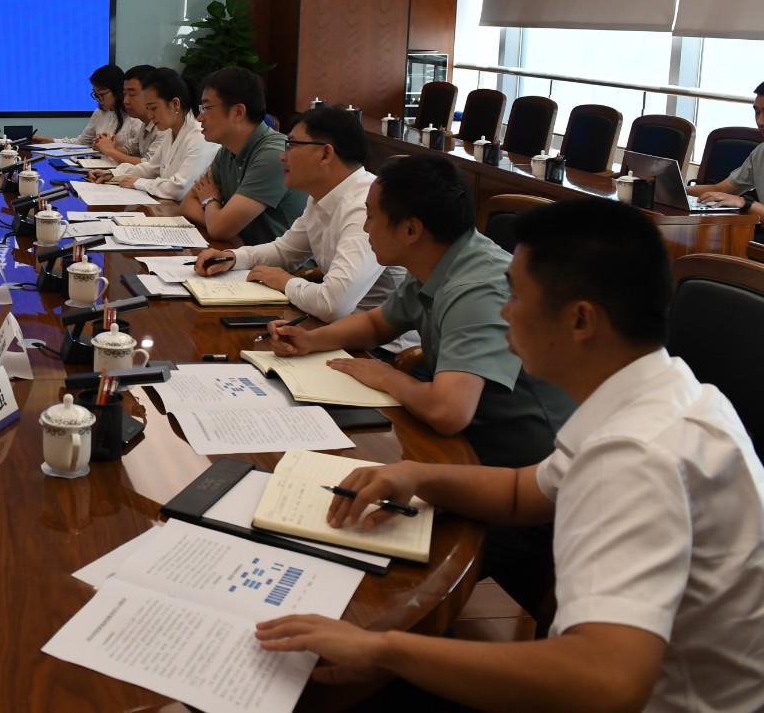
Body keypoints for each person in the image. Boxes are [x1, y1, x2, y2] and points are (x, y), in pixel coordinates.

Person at [256, 197, 764, 713]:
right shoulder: (664, 393)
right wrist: (416, 476)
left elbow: (606, 682)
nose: (503, 312)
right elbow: (524, 492)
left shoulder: (636, 456)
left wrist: (384, 649)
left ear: (580, 320)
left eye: (516, 296)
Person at [268, 153, 575, 617]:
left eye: (372, 217)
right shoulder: (440, 262)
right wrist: (310, 340)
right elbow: (377, 324)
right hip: (472, 457)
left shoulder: (478, 286)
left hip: (525, 487)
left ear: (411, 229)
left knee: (370, 568)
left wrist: (388, 376)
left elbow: (450, 411)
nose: (365, 227)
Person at [193, 106, 403, 323]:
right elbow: (285, 252)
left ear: (325, 154)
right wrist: (233, 258)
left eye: (291, 145)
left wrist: (285, 281)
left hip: (381, 341)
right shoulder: (321, 196)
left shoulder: (364, 207)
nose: (282, 156)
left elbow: (334, 305)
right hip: (340, 327)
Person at [182, 66, 307, 245]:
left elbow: (218, 228)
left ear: (238, 112)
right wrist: (228, 232)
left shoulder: (274, 155)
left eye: (207, 108)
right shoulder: (227, 150)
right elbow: (188, 204)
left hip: (283, 261)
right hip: (246, 253)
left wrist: (210, 200)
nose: (200, 117)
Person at [87, 67, 216, 200]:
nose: (150, 115)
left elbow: (181, 188)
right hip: (168, 204)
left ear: (175, 104)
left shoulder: (199, 135)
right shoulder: (171, 130)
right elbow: (151, 168)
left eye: (153, 108)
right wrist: (113, 173)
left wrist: (139, 183)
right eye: (147, 108)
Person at [690, 79, 764, 225]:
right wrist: (674, 190)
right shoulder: (761, 152)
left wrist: (746, 203)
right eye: (757, 112)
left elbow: (739, 200)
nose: (760, 121)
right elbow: (723, 189)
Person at [35, 63, 137, 147]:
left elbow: (138, 157)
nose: (98, 99)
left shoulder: (134, 116)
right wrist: (50, 140)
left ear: (117, 91)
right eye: (95, 94)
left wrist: (108, 149)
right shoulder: (99, 113)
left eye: (101, 94)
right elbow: (82, 142)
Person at [93, 63, 159, 166]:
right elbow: (129, 149)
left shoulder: (164, 127)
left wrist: (109, 150)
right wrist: (104, 145)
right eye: (124, 94)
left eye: (132, 94)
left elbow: (150, 165)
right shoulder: (144, 123)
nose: (126, 101)